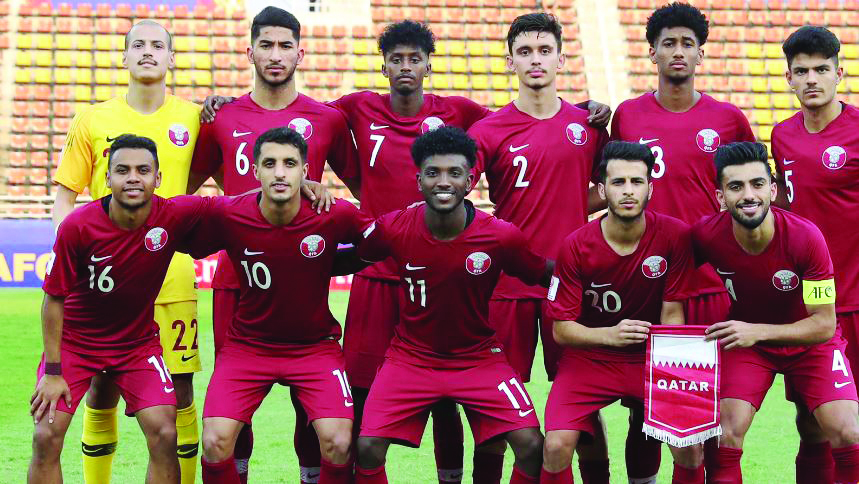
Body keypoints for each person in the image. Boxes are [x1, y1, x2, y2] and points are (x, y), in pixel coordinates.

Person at [188, 8, 357, 482]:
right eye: (267, 44)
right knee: (231, 409)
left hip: (304, 275)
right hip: (235, 280)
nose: (276, 55)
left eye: (286, 46)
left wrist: (326, 192)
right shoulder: (222, 116)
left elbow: (363, 187)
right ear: (250, 51)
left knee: (314, 407)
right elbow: (190, 182)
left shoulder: (326, 119)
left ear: (301, 52)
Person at [354, 126, 551, 484]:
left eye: (454, 173)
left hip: (478, 358)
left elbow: (541, 272)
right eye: (433, 173)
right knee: (366, 447)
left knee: (532, 445)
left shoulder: (500, 235)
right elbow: (351, 254)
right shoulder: (395, 227)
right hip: (411, 358)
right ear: (418, 180)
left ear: (470, 181)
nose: (443, 182)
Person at [51, 20, 204, 483]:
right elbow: (65, 194)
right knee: (101, 390)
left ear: (172, 58)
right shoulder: (93, 120)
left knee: (179, 392)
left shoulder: (197, 117)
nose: (148, 52)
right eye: (137, 45)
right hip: (105, 283)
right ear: (124, 57)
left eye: (159, 45)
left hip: (171, 274)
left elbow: (204, 184)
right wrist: (73, 257)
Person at [608, 4, 755, 480]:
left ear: (701, 54)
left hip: (711, 285)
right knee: (648, 409)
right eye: (668, 43)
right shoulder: (627, 117)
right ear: (651, 52)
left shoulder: (728, 119)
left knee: (713, 415)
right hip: (648, 284)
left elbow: (754, 191)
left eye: (687, 43)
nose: (677, 51)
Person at [467, 12, 610, 482]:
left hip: (570, 281)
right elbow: (453, 195)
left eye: (544, 50)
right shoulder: (488, 130)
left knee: (582, 399)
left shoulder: (587, 126)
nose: (535, 60)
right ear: (510, 62)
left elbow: (604, 190)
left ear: (561, 59)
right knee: (494, 399)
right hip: (507, 282)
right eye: (525, 52)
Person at [29, 135, 216, 484]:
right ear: (107, 178)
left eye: (143, 170)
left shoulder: (172, 214)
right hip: (75, 346)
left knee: (164, 432)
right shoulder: (77, 226)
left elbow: (239, 203)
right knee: (46, 436)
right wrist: (53, 372)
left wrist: (301, 186)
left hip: (136, 346)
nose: (133, 177)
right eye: (123, 170)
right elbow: (52, 299)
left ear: (158, 178)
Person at [692, 141, 859, 482]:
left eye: (757, 184)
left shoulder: (805, 238)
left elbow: (824, 325)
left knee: (848, 433)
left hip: (810, 343)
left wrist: (757, 330)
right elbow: (666, 274)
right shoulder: (705, 237)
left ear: (773, 188)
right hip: (748, 347)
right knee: (724, 434)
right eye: (736, 187)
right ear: (720, 197)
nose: (748, 195)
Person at [541, 141, 703, 484]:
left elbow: (673, 314)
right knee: (555, 446)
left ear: (650, 188)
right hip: (590, 357)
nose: (628, 191)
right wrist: (609, 335)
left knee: (690, 446)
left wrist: (672, 371)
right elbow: (561, 330)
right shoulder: (576, 244)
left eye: (636, 181)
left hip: (653, 354)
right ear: (602, 190)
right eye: (618, 183)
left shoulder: (675, 235)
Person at [772, 25, 859, 483]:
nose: (811, 79)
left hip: (858, 299)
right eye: (801, 71)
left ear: (839, 73)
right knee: (811, 423)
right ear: (788, 77)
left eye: (821, 69)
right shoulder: (782, 135)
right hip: (811, 307)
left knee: (852, 427)